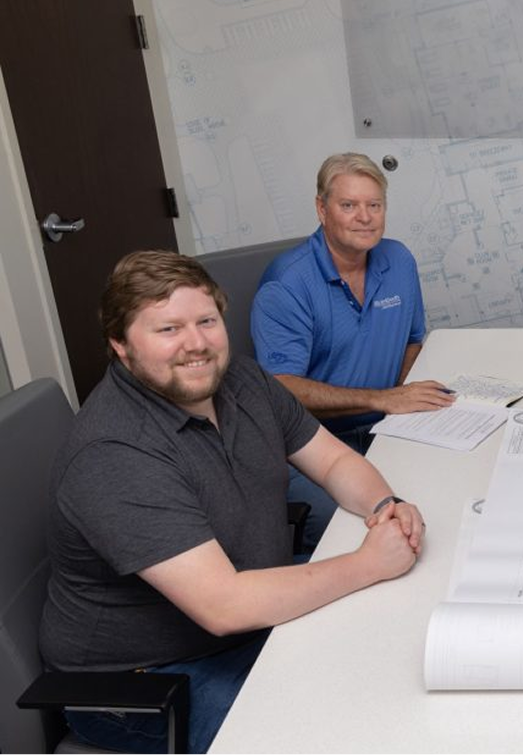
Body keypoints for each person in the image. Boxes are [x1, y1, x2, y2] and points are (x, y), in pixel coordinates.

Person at [40, 251, 424, 755]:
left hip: (250, 619)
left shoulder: (242, 381)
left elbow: (331, 461)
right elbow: (223, 606)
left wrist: (384, 504)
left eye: (206, 321)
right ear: (120, 345)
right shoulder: (114, 452)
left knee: (401, 646)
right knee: (336, 729)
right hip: (147, 679)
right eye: (168, 329)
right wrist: (368, 563)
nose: (196, 344)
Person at [251, 153, 452, 549]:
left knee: (443, 505)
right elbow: (280, 388)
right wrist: (384, 399)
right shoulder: (286, 284)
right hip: (310, 445)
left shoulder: (398, 260)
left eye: (374, 205)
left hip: (386, 429)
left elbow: (413, 339)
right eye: (349, 205)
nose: (365, 217)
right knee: (366, 534)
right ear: (321, 209)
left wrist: (400, 407)